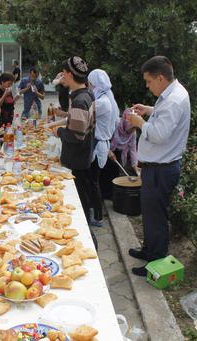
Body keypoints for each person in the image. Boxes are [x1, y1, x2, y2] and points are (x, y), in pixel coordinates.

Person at [127, 56, 191, 276]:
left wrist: (140, 123)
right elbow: (165, 116)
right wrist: (149, 109)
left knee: (156, 217)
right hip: (158, 167)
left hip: (161, 169)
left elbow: (159, 134)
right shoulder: (172, 93)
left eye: (148, 81)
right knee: (151, 213)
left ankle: (155, 263)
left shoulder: (173, 100)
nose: (147, 85)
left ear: (161, 78)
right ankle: (149, 250)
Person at [53, 56, 98, 248]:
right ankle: (86, 237)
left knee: (78, 203)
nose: (62, 76)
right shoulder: (85, 94)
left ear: (69, 74)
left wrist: (58, 131)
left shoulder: (80, 99)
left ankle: (88, 242)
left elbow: (76, 135)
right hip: (82, 157)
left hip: (77, 160)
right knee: (81, 199)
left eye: (64, 73)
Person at [87, 69, 119, 226]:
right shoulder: (107, 99)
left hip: (98, 145)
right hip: (100, 144)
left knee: (93, 182)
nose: (90, 87)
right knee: (94, 181)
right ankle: (94, 212)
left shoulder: (102, 102)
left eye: (91, 84)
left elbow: (83, 115)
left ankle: (97, 217)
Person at [101, 109, 138, 199]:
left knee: (115, 175)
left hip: (119, 153)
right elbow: (103, 138)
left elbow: (133, 149)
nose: (132, 130)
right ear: (126, 122)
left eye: (134, 128)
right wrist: (108, 152)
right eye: (131, 127)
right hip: (106, 148)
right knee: (104, 173)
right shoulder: (115, 124)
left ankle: (111, 195)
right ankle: (102, 195)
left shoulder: (133, 132)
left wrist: (135, 166)